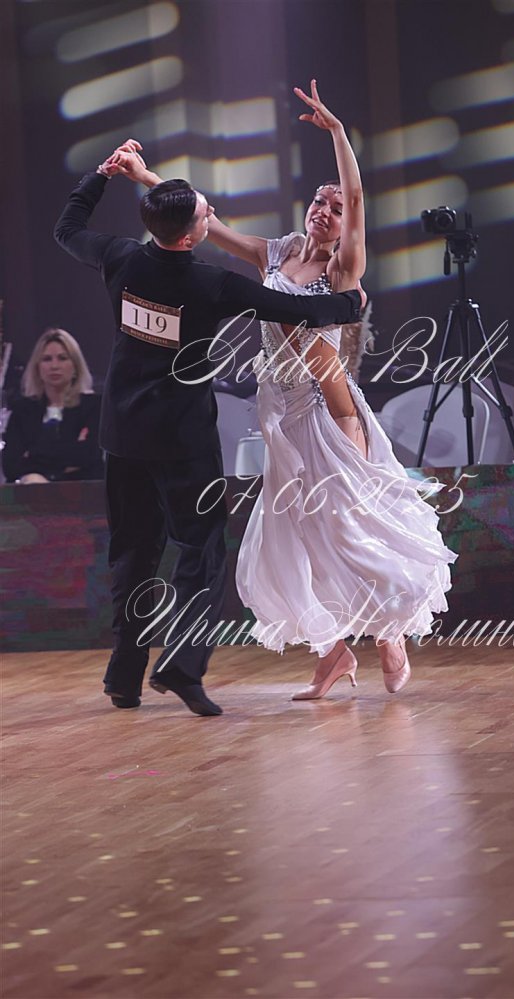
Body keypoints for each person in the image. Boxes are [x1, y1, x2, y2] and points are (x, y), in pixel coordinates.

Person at [112, 81, 457, 698]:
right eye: (319, 201)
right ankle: (333, 653)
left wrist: (339, 134)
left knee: (349, 524)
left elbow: (355, 194)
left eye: (334, 208)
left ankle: (389, 631)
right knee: (295, 535)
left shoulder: (342, 267)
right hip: (279, 411)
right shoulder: (277, 253)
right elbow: (201, 221)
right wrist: (146, 180)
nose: (324, 210)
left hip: (329, 405)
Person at [53, 141, 363, 717]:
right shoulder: (211, 284)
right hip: (182, 442)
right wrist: (350, 305)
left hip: (122, 435)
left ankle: (124, 674)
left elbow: (67, 228)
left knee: (132, 553)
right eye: (205, 213)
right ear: (192, 236)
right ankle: (182, 666)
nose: (211, 215)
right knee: (200, 553)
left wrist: (100, 177)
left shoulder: (121, 258)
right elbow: (299, 311)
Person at [2, 328, 103, 484]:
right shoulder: (22, 410)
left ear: (75, 366)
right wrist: (71, 451)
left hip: (81, 493)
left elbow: (91, 457)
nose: (54, 366)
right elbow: (11, 465)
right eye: (47, 359)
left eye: (62, 358)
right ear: (37, 367)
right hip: (33, 492)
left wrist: (33, 454)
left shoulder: (94, 407)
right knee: (32, 480)